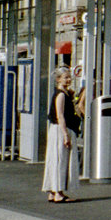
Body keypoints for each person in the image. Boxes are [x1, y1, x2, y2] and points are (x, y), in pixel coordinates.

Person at [42, 67, 79, 203]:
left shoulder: (62, 93)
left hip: (55, 129)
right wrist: (65, 135)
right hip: (61, 129)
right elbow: (60, 115)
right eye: (65, 77)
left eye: (69, 77)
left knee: (54, 159)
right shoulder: (61, 95)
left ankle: (53, 191)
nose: (68, 79)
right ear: (58, 79)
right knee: (60, 160)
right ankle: (58, 192)